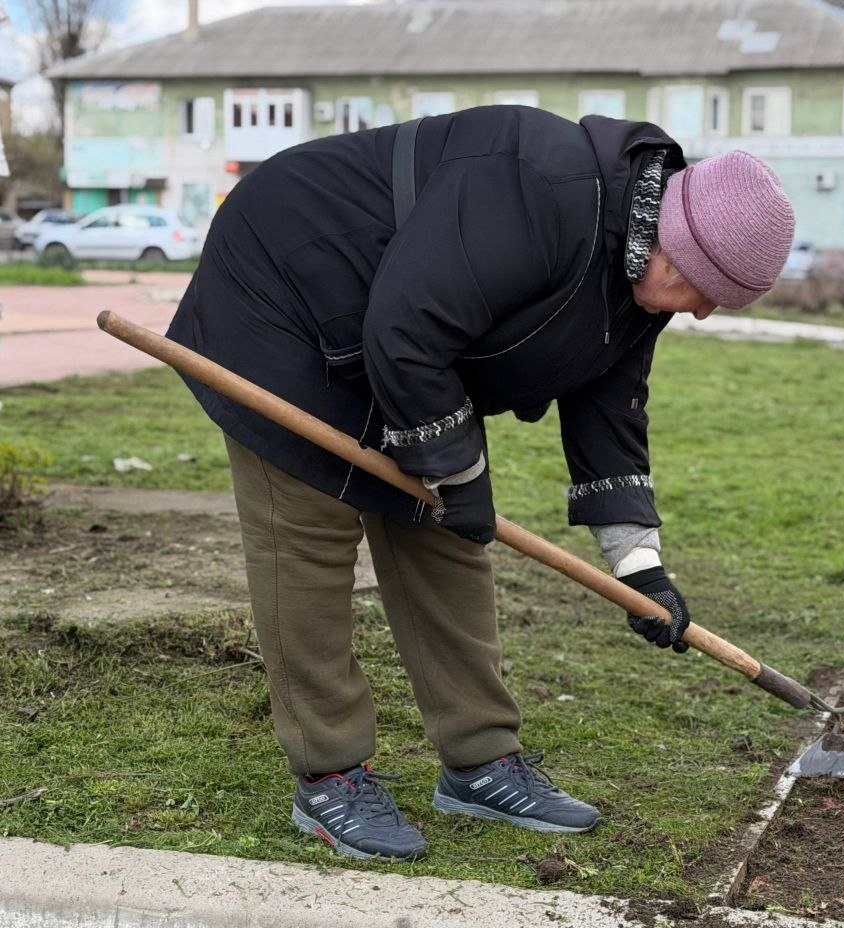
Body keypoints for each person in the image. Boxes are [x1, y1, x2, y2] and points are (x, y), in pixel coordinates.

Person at [166, 105, 795, 861]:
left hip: (397, 337)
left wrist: (642, 568)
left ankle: (478, 758)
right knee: (308, 532)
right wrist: (459, 469)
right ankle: (329, 771)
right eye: (701, 289)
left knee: (445, 537)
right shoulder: (543, 186)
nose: (697, 312)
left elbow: (609, 417)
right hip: (287, 292)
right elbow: (407, 325)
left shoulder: (635, 270)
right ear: (674, 239)